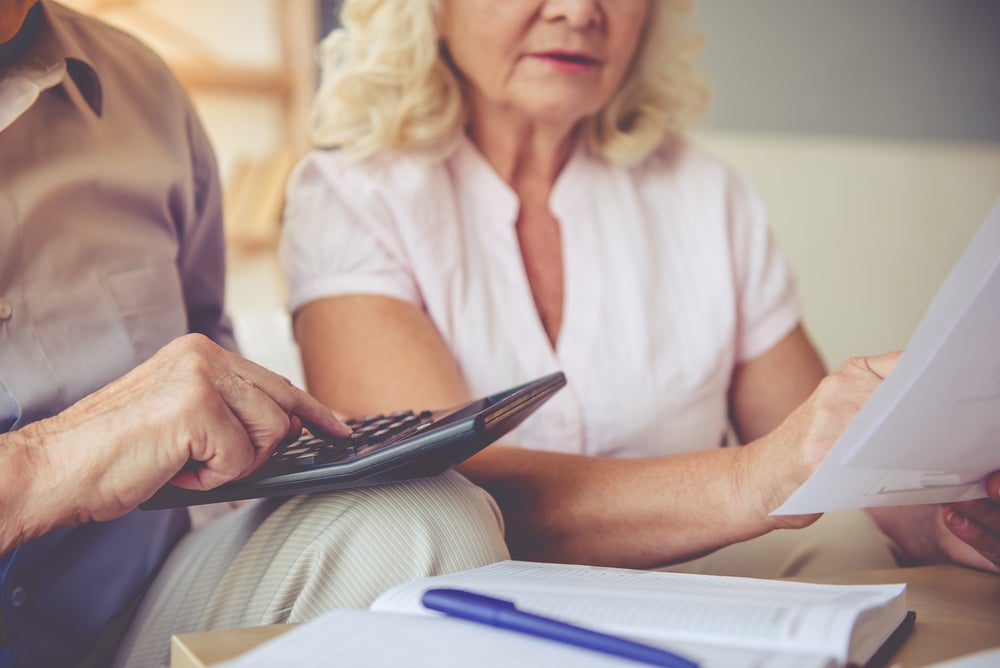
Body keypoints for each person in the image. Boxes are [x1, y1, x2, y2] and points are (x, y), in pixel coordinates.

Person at [280, 0, 1000, 577]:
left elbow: (825, 458)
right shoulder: (349, 196)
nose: (579, 10)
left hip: (710, 597)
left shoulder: (707, 195)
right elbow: (444, 494)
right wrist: (750, 479)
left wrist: (944, 519)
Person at [0, 2, 509, 667]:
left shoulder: (144, 94)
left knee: (428, 517)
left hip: (127, 620)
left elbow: (208, 342)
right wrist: (44, 467)